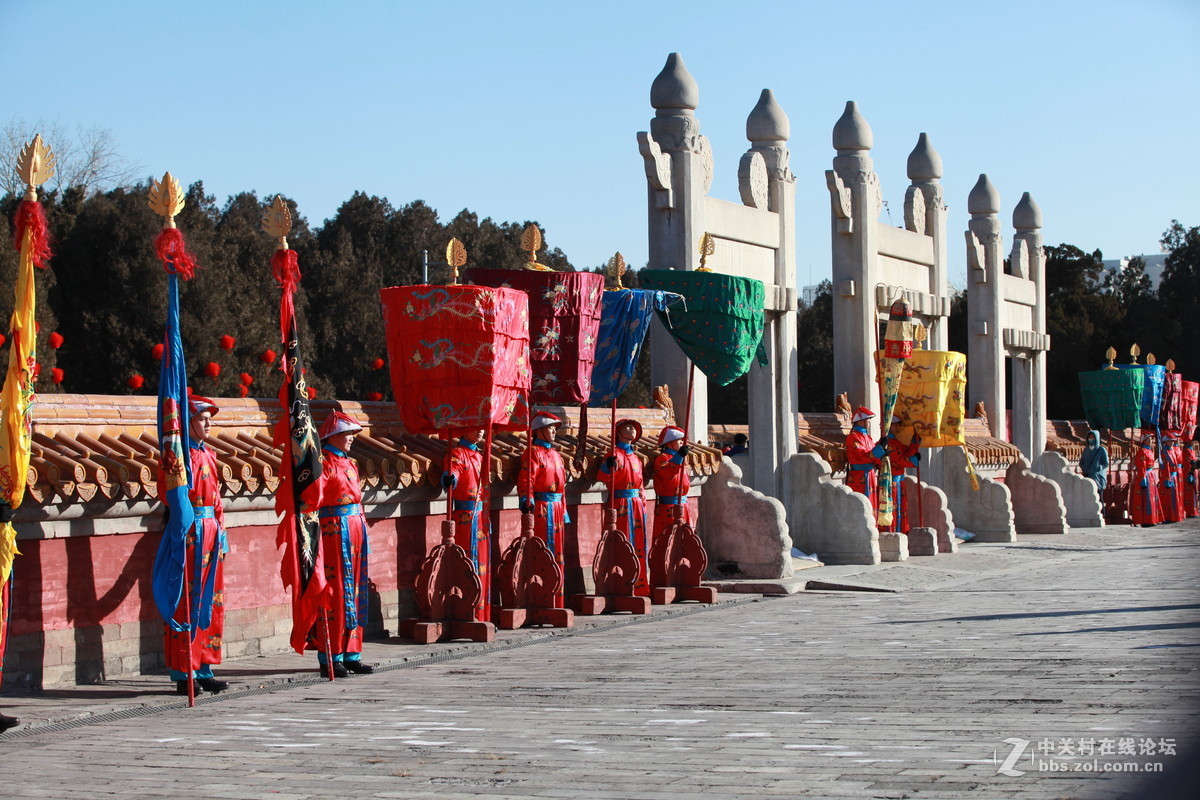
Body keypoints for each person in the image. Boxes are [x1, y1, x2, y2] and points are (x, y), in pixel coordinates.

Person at [163, 395, 229, 695]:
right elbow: (170, 495)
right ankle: (182, 670)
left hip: (211, 532)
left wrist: (222, 534)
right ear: (189, 422)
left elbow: (216, 501)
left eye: (209, 418)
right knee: (186, 601)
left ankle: (204, 666)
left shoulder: (210, 455)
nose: (208, 423)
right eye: (203, 418)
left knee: (210, 601)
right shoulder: (179, 457)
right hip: (190, 533)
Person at [307, 411, 373, 677]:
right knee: (335, 591)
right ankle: (330, 655)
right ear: (332, 435)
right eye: (347, 434)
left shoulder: (350, 463)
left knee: (355, 589)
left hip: (355, 527)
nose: (351, 439)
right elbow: (313, 497)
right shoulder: (323, 462)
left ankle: (352, 652)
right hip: (334, 531)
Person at [518, 412, 569, 608]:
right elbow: (526, 478)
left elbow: (562, 487)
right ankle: (539, 596)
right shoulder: (532, 452)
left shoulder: (556, 455)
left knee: (557, 552)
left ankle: (557, 598)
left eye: (555, 429)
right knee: (542, 549)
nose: (554, 432)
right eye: (550, 428)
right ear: (539, 430)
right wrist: (526, 498)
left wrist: (564, 511)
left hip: (556, 508)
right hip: (541, 508)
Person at [442, 428, 490, 621]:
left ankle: (482, 613)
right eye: (475, 427)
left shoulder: (479, 455)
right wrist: (450, 478)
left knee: (483, 563)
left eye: (481, 427)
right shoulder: (457, 454)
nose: (480, 431)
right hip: (465, 517)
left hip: (481, 516)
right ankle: (467, 611)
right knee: (468, 560)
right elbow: (452, 473)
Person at [598, 419, 649, 596]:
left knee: (638, 543)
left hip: (635, 505)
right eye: (628, 427)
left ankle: (639, 585)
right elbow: (603, 476)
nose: (632, 430)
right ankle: (619, 584)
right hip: (619, 504)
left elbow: (641, 484)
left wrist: (643, 504)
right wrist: (607, 466)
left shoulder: (635, 458)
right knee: (621, 541)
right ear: (619, 432)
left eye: (634, 427)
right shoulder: (613, 454)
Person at [651, 425, 691, 541]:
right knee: (668, 539)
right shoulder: (662, 459)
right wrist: (679, 457)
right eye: (679, 441)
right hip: (669, 507)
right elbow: (667, 473)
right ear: (669, 443)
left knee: (684, 540)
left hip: (683, 505)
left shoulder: (681, 458)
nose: (682, 443)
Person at [845, 407, 886, 515]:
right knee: (861, 506)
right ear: (860, 420)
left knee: (872, 504)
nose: (869, 422)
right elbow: (863, 455)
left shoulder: (867, 437)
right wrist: (879, 449)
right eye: (867, 419)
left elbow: (874, 456)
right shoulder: (853, 437)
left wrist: (882, 449)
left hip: (870, 475)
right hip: (859, 477)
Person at [884, 421, 921, 533]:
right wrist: (914, 461)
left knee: (901, 509)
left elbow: (907, 453)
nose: (898, 427)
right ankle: (893, 533)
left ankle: (901, 532)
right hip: (891, 482)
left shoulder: (896, 442)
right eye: (895, 424)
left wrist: (914, 443)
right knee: (893, 509)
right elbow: (901, 460)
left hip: (899, 482)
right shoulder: (889, 444)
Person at [1129, 431, 1163, 528]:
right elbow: (1141, 465)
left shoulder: (1150, 450)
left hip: (1151, 475)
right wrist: (1143, 477)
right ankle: (1146, 520)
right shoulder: (1142, 451)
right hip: (1145, 475)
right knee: (1146, 498)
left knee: (1152, 498)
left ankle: (1153, 518)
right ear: (1144, 441)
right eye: (1149, 439)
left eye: (1152, 439)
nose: (1151, 441)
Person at [1159, 431, 1184, 523]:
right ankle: (1167, 517)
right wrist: (1167, 478)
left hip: (1174, 476)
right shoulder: (1164, 452)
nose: (1172, 442)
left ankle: (1174, 516)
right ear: (1165, 441)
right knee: (1167, 498)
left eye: (1173, 441)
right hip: (1168, 477)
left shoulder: (1171, 450)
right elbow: (1166, 466)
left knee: (1174, 498)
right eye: (1170, 441)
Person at [1184, 440, 1199, 518]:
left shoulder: (1192, 450)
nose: (1193, 442)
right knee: (1190, 493)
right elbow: (1188, 463)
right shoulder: (1186, 451)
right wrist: (1190, 472)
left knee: (1195, 492)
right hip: (1190, 472)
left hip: (1194, 472)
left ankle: (1194, 510)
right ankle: (1190, 511)